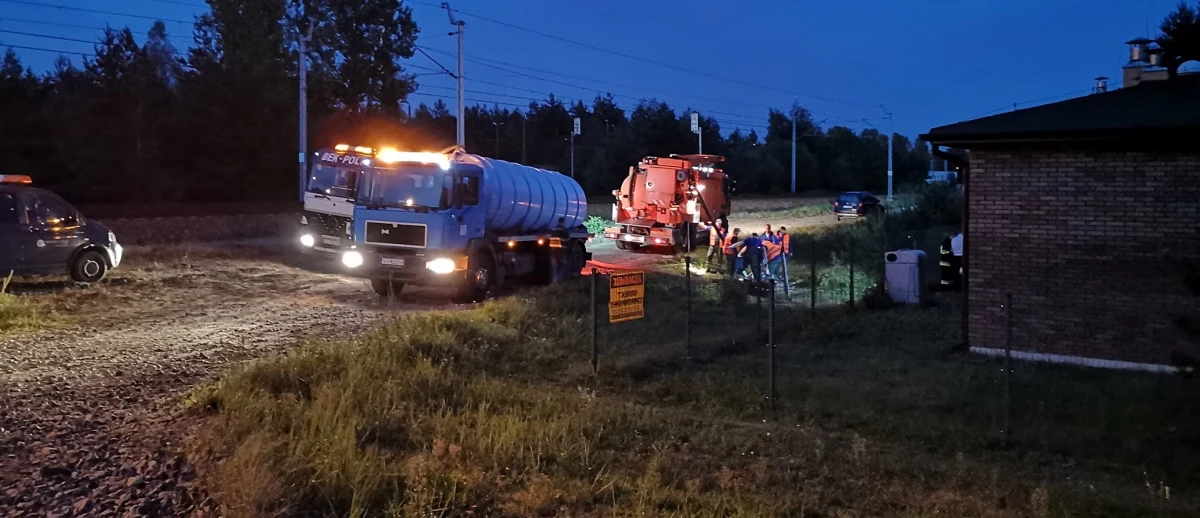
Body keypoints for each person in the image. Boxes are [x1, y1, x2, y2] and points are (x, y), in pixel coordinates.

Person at [549, 217, 571, 282]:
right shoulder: (564, 232)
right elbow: (567, 243)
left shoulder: (554, 231)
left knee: (554, 266)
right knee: (563, 265)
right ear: (563, 223)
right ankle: (559, 280)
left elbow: (551, 242)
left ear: (558, 222)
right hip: (561, 252)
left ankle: (554, 281)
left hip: (553, 251)